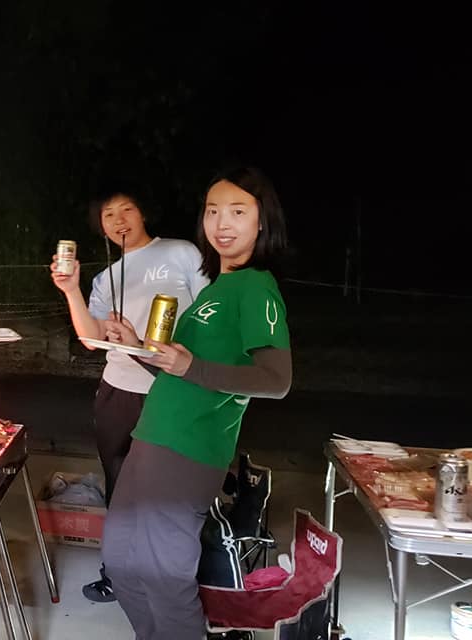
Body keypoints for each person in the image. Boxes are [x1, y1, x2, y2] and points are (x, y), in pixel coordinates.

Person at [100, 167, 292, 639]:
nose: (222, 223)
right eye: (213, 211)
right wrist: (136, 347)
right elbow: (180, 373)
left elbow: (277, 380)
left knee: (164, 577)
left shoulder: (256, 287)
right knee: (121, 563)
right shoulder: (217, 288)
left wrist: (191, 367)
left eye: (238, 212)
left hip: (190, 449)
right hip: (151, 436)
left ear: (262, 222)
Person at [50, 188, 209, 602]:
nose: (119, 220)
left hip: (171, 391)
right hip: (118, 391)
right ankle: (118, 572)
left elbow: (210, 315)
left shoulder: (181, 253)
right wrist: (71, 290)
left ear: (143, 213)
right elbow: (91, 338)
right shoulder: (106, 278)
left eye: (127, 209)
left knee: (170, 488)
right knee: (119, 483)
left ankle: (171, 576)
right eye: (108, 214)